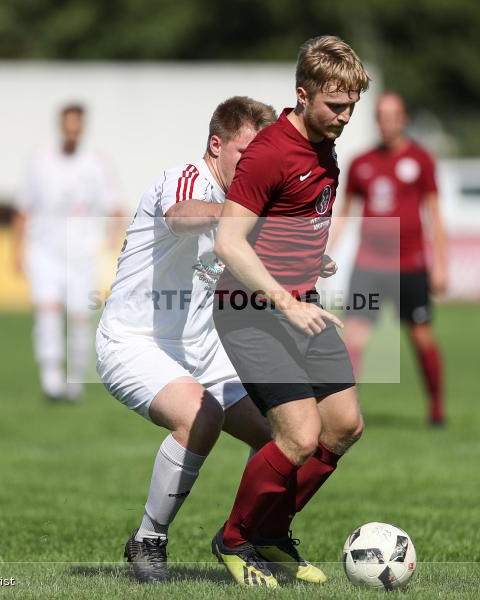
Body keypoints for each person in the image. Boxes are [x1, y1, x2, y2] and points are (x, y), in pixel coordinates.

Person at [95, 97, 280, 584]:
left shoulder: (240, 205)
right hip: (132, 343)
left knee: (286, 434)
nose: (252, 163)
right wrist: (232, 213)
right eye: (244, 152)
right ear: (216, 145)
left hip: (200, 346)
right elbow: (180, 216)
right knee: (200, 416)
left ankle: (244, 538)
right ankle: (149, 539)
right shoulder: (185, 178)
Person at [209, 35, 371, 588]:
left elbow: (286, 222)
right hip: (251, 311)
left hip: (301, 305)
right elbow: (229, 243)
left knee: (345, 425)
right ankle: (234, 539)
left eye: (353, 106)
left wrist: (310, 258)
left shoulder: (324, 145)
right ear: (302, 95)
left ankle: (272, 533)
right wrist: (284, 299)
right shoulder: (270, 151)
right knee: (300, 435)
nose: (346, 118)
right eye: (336, 106)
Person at [336, 92, 447, 426]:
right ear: (376, 121)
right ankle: (345, 411)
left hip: (409, 265)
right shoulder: (361, 163)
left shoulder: (421, 160)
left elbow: (434, 214)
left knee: (420, 336)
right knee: (354, 336)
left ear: (404, 119)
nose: (388, 122)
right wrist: (322, 251)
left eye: (393, 115)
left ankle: (436, 407)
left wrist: (441, 264)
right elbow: (345, 212)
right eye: (382, 115)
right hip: (368, 263)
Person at [13, 103, 123, 403]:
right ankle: (50, 378)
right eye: (67, 124)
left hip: (82, 254)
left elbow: (115, 205)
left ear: (82, 127)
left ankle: (74, 380)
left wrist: (113, 239)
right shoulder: (40, 160)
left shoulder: (96, 163)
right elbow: (23, 207)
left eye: (77, 125)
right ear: (61, 126)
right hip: (44, 251)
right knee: (47, 312)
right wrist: (18, 249)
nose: (72, 130)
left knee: (79, 317)